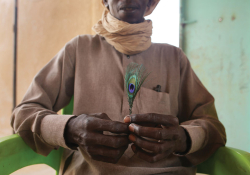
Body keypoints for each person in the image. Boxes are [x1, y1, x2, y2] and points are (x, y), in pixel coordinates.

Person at [11, 0, 226, 174]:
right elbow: (23, 113)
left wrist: (183, 138)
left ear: (151, 2)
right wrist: (69, 129)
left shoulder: (173, 58)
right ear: (104, 0)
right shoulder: (79, 49)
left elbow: (214, 128)